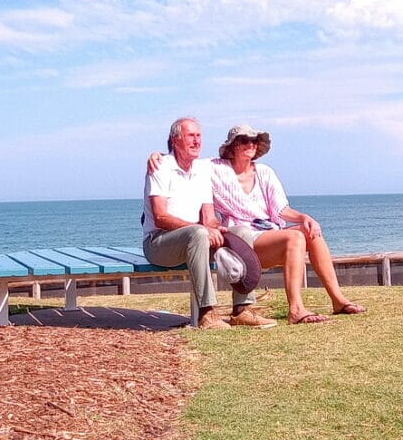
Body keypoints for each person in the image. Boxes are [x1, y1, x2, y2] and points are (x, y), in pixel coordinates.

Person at [150, 123, 366, 325]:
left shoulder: (265, 172)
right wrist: (157, 155)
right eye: (245, 140)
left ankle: (338, 300)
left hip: (268, 233)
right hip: (243, 236)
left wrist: (304, 218)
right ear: (233, 146)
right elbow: (183, 158)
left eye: (254, 141)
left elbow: (280, 209)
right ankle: (296, 309)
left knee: (311, 232)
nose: (251, 145)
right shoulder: (213, 168)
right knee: (295, 237)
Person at [142, 117, 277, 331]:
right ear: (175, 141)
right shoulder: (160, 167)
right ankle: (207, 313)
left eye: (198, 136)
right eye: (190, 136)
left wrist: (217, 228)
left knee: (241, 232)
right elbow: (161, 217)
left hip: (196, 239)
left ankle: (242, 309)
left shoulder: (202, 169)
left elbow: (209, 217)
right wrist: (203, 230)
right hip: (158, 243)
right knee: (198, 233)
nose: (196, 141)